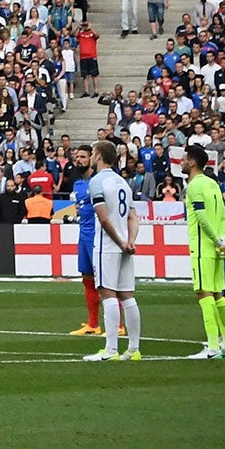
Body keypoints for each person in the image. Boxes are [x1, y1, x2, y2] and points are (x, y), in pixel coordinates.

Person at [84, 139, 143, 362]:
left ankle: (110, 350)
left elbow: (103, 217)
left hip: (108, 245)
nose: (91, 157)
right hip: (126, 245)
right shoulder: (123, 183)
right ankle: (134, 349)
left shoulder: (97, 182)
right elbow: (133, 216)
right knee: (127, 295)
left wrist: (119, 242)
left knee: (107, 293)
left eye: (92, 153)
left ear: (98, 156)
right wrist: (131, 241)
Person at [183, 142, 225, 359]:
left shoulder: (194, 185)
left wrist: (215, 239)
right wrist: (222, 240)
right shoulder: (213, 184)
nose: (182, 162)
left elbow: (201, 216)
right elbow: (224, 216)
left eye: (185, 159)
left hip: (202, 246)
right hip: (217, 248)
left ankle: (213, 347)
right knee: (218, 294)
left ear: (192, 162)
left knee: (203, 293)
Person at [60, 144, 102, 336]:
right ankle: (93, 324)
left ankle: (118, 325)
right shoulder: (77, 184)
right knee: (87, 279)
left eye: (83, 157)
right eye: (76, 157)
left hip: (98, 235)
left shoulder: (99, 181)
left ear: (91, 159)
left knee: (106, 281)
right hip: (83, 234)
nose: (78, 160)